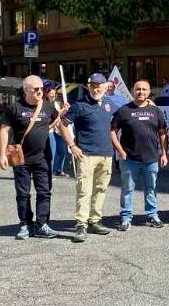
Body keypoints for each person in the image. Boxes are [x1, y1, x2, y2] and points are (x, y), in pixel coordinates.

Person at [0, 75, 66, 240]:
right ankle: (25, 224)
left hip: (42, 158)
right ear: (26, 90)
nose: (40, 92)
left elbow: (59, 124)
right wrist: (1, 155)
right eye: (36, 89)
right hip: (21, 159)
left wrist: (72, 144)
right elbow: (4, 131)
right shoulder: (14, 108)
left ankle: (42, 224)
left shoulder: (48, 107)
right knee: (23, 194)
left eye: (41, 89)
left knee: (44, 192)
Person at [57, 73, 117, 243]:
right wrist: (72, 145)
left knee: (101, 189)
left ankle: (95, 221)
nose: (96, 88)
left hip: (106, 154)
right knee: (84, 190)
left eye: (99, 85)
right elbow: (62, 124)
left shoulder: (109, 104)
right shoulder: (80, 105)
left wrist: (149, 102)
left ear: (106, 86)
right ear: (88, 86)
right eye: (92, 85)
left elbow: (124, 115)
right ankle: (81, 224)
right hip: (86, 155)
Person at [110, 79, 168, 231]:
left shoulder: (156, 111)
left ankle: (152, 215)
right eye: (138, 89)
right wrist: (120, 150)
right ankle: (126, 217)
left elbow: (162, 133)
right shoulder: (124, 110)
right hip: (129, 159)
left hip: (151, 158)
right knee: (127, 189)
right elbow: (113, 131)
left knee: (151, 188)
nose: (141, 92)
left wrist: (164, 154)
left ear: (149, 92)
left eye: (144, 89)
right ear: (133, 91)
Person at [45, 84, 69, 177]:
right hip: (49, 130)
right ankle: (48, 173)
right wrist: (62, 111)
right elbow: (55, 115)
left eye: (54, 93)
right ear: (46, 94)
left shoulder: (56, 103)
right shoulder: (44, 104)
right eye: (51, 93)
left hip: (58, 130)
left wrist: (65, 110)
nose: (53, 95)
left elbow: (59, 116)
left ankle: (58, 169)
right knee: (51, 152)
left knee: (62, 150)